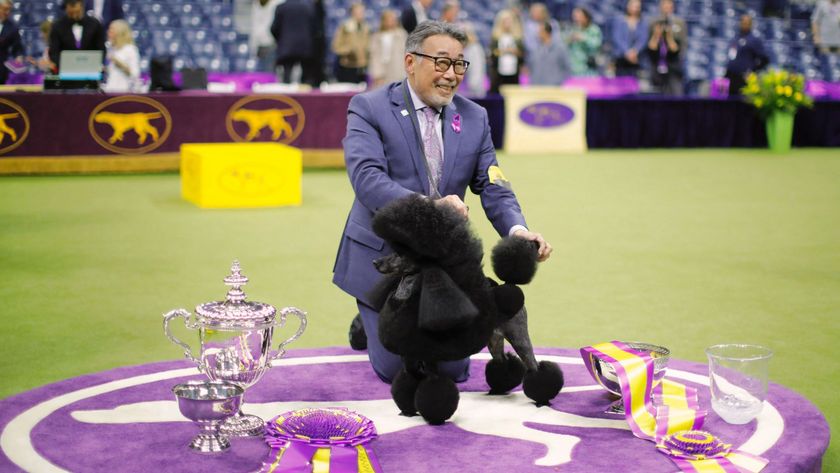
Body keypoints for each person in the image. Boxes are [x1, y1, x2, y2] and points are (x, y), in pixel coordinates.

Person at [333, 20, 552, 384]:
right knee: (397, 371)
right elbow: (367, 180)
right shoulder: (369, 107)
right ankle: (369, 312)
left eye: (459, 64)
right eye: (441, 62)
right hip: (386, 262)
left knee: (453, 370)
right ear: (409, 63)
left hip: (445, 263)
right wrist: (429, 208)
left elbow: (492, 183)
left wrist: (519, 231)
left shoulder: (474, 117)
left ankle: (373, 321)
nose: (451, 75)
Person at [49, 0, 106, 73]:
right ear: (66, 9)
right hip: (66, 74)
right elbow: (53, 52)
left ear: (82, 7)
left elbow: (101, 49)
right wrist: (65, 65)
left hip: (90, 73)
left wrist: (93, 64)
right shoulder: (57, 26)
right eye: (71, 13)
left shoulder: (95, 24)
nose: (74, 15)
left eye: (77, 12)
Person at [271, 0, 317, 85]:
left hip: (287, 47)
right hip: (305, 47)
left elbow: (274, 28)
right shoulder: (308, 7)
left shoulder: (281, 7)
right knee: (306, 80)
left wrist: (280, 40)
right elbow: (314, 28)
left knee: (286, 79)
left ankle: (286, 97)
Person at [645, 0, 687, 95]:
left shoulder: (679, 23)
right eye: (664, 4)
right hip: (656, 65)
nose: (666, 6)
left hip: (673, 67)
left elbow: (679, 48)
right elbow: (650, 47)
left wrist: (668, 36)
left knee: (676, 95)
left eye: (669, 4)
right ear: (660, 6)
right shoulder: (653, 23)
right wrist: (656, 35)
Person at [724, 15, 768, 96]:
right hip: (731, 76)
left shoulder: (755, 40)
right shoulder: (735, 38)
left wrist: (753, 71)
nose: (744, 25)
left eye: (747, 23)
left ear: (751, 25)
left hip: (745, 79)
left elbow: (765, 59)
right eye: (743, 22)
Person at [331, 2, 370, 84]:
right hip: (348, 66)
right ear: (352, 13)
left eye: (362, 12)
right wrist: (348, 50)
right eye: (358, 12)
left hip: (362, 66)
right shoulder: (345, 27)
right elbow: (336, 46)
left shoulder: (366, 27)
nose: (361, 14)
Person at [369, 9, 408, 88]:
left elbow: (406, 53)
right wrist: (377, 74)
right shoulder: (377, 36)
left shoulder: (402, 35)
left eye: (393, 19)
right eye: (389, 19)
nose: (391, 22)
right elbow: (374, 56)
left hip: (398, 72)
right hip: (382, 73)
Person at [489, 9, 524, 93]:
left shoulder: (517, 38)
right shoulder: (495, 37)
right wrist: (502, 51)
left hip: (514, 73)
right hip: (499, 74)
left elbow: (522, 55)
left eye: (509, 21)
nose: (508, 23)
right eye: (505, 21)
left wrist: (515, 52)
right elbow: (492, 53)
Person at [610, 0, 648, 78]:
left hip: (636, 59)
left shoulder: (643, 22)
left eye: (637, 6)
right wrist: (627, 52)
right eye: (633, 6)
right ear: (628, 6)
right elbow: (617, 38)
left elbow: (643, 39)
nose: (635, 8)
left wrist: (635, 51)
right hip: (621, 57)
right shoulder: (619, 21)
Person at [102, 19, 139, 92]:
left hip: (124, 90)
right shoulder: (112, 49)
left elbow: (134, 73)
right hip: (110, 89)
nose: (108, 33)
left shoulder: (130, 49)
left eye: (111, 31)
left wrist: (117, 62)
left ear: (119, 33)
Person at [522, 3, 561, 73]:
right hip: (533, 58)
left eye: (537, 12)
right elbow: (528, 43)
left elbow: (557, 40)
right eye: (533, 12)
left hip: (551, 58)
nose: (534, 14)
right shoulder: (528, 25)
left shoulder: (553, 24)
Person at [529, 21, 570, 85]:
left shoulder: (559, 48)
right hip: (537, 87)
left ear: (547, 32)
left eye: (540, 31)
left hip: (554, 87)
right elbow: (531, 67)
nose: (537, 34)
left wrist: (558, 80)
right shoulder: (536, 49)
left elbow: (567, 67)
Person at [567, 7, 602, 76]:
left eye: (578, 16)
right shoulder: (573, 29)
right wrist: (569, 40)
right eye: (574, 17)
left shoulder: (594, 29)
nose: (576, 19)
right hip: (574, 68)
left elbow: (597, 44)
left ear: (586, 17)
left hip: (589, 67)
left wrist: (583, 38)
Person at [249, 0, 282, 73]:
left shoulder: (277, 3)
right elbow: (254, 25)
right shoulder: (256, 4)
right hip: (258, 44)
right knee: (259, 73)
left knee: (269, 72)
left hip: (271, 44)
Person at [0, 0, 23, 85]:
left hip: (1, 70)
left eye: (9, 10)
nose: (8, 12)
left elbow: (17, 47)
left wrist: (18, 56)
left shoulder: (13, 27)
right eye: (5, 9)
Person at [462, 23, 486, 96]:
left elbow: (477, 68)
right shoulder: (467, 48)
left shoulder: (475, 47)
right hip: (468, 84)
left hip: (475, 84)